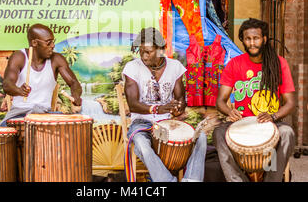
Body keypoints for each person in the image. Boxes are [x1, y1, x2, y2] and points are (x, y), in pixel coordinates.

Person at [122, 27, 212, 182]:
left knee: (201, 137)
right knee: (141, 143)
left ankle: (191, 180)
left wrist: (178, 108)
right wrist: (157, 108)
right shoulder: (132, 67)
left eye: (148, 51)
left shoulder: (175, 66)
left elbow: (180, 99)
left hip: (167, 124)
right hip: (142, 123)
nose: (144, 56)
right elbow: (133, 105)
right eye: (141, 51)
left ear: (160, 50)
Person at [214, 18, 295, 182]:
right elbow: (220, 101)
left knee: (287, 133)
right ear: (243, 40)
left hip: (271, 122)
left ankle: (272, 180)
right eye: (248, 39)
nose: (252, 43)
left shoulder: (279, 63)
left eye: (256, 38)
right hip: (242, 122)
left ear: (264, 39)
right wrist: (230, 111)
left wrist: (273, 117)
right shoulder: (234, 64)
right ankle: (237, 180)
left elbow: (291, 103)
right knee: (218, 133)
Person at [0, 23, 82, 126]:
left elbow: (74, 83)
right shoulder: (19, 57)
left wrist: (76, 96)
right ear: (34, 43)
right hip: (19, 113)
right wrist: (19, 90)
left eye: (53, 41)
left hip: (45, 114)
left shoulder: (56, 59)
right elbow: (7, 84)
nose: (53, 45)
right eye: (48, 42)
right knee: (3, 132)